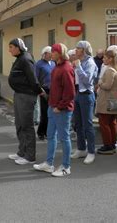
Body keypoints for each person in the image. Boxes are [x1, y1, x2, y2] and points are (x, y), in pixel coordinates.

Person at [34, 44, 75, 177]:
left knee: (64, 138)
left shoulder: (66, 68)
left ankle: (66, 166)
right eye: (51, 51)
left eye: (54, 51)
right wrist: (49, 100)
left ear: (60, 53)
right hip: (53, 107)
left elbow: (70, 93)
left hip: (61, 110)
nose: (51, 53)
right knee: (51, 136)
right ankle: (49, 164)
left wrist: (60, 106)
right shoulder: (56, 66)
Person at [7, 38, 44, 165]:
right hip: (19, 95)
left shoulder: (26, 59)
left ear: (18, 47)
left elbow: (33, 79)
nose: (9, 50)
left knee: (26, 126)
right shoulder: (20, 58)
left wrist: (39, 91)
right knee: (19, 125)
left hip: (26, 96)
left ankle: (30, 156)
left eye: (11, 47)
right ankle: (21, 152)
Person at [71, 40, 97, 165]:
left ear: (84, 50)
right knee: (78, 124)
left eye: (78, 48)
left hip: (86, 94)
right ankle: (81, 149)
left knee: (88, 125)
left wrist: (78, 67)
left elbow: (87, 80)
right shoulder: (78, 61)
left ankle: (91, 152)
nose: (76, 50)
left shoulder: (90, 62)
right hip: (77, 94)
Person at [95, 50, 117, 155]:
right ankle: (111, 144)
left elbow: (107, 86)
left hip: (107, 99)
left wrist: (100, 83)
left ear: (110, 59)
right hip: (114, 98)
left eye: (105, 58)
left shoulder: (109, 70)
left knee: (104, 123)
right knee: (112, 122)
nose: (103, 59)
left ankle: (108, 146)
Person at [35, 46, 55, 140]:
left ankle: (47, 131)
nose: (52, 55)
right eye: (50, 53)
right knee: (45, 112)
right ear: (45, 54)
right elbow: (36, 78)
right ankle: (41, 132)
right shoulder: (39, 64)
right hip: (44, 90)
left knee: (51, 112)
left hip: (53, 90)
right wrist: (39, 90)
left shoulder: (53, 63)